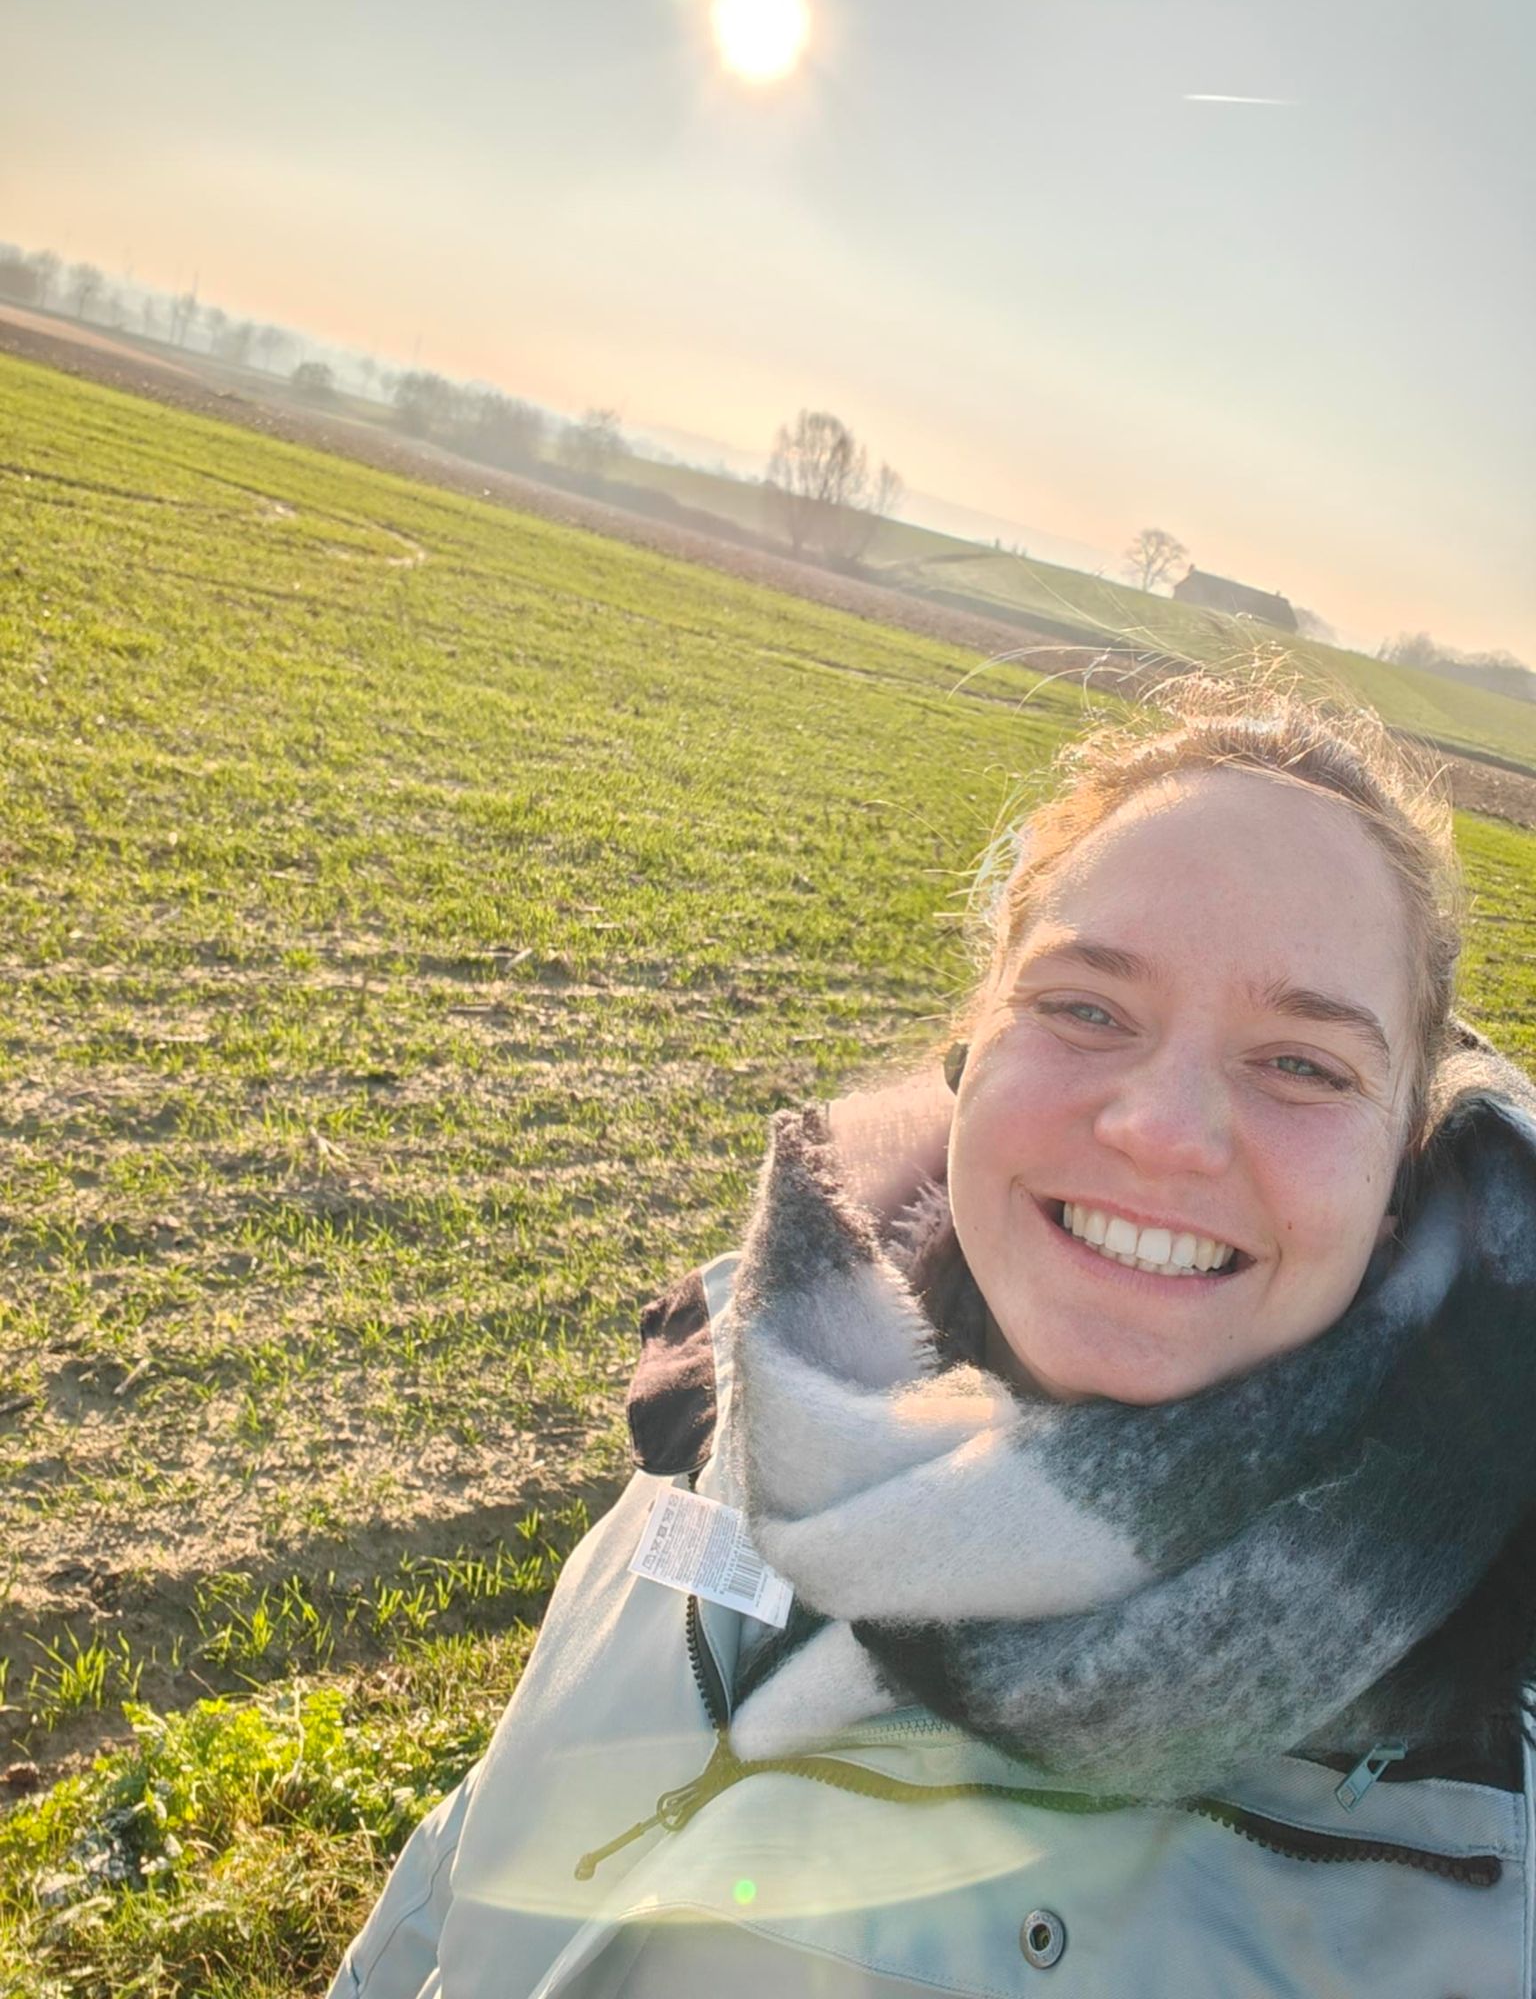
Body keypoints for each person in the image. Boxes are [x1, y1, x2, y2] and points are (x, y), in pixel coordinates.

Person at [329, 676, 1536, 1999]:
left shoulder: (1494, 1780)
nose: (1162, 1131)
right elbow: (465, 1867)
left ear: (1398, 1179)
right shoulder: (750, 1396)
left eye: (1303, 1064)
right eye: (1085, 1008)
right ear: (971, 1055)